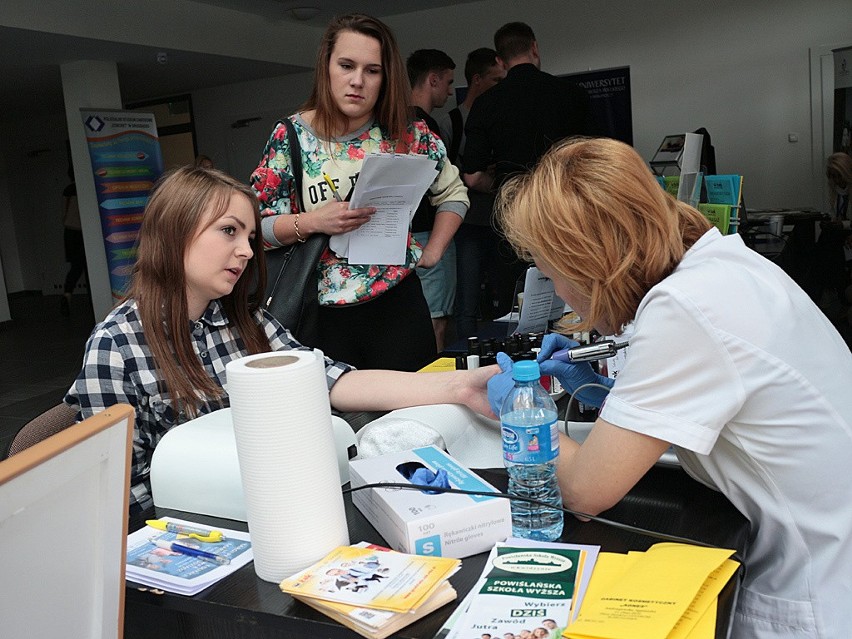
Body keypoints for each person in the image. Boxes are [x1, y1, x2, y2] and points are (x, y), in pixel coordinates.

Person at [489, 137, 852, 638]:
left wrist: (520, 410)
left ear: (592, 263)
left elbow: (584, 492)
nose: (560, 295)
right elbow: (719, 398)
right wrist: (601, 392)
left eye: (553, 277)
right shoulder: (722, 264)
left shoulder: (685, 308)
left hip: (815, 589)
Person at [64, 166, 494, 515]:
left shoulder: (244, 320)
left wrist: (456, 387)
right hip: (199, 528)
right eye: (228, 231)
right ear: (175, 232)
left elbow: (330, 380)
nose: (249, 251)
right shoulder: (116, 347)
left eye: (250, 238)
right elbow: (116, 496)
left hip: (270, 507)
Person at [250, 14, 468, 371]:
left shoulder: (407, 133)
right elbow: (256, 229)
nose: (357, 81)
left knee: (416, 417)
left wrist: (433, 252)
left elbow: (453, 193)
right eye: (346, 65)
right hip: (320, 312)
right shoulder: (291, 136)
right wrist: (313, 221)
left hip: (398, 303)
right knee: (338, 422)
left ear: (386, 78)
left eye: (372, 70)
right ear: (327, 67)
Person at [463, 22, 597, 318]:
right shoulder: (572, 95)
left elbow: (471, 175)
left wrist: (500, 184)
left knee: (516, 306)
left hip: (513, 218)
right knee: (576, 298)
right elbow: (597, 159)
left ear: (500, 61)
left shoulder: (486, 104)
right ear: (534, 48)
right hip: (568, 213)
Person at [434, 47, 506, 337]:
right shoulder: (450, 122)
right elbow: (443, 177)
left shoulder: (501, 116)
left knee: (505, 293)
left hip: (501, 219)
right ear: (477, 80)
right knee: (466, 297)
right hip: (466, 224)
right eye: (495, 81)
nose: (501, 88)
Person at [407, 48, 462, 351]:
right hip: (429, 235)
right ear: (432, 80)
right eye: (448, 82)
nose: (451, 91)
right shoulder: (425, 128)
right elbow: (449, 191)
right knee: (437, 322)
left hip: (402, 237)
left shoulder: (392, 125)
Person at [807, 152, 852, 316]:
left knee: (827, 241)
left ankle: (824, 289)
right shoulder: (838, 193)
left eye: (838, 176)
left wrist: (842, 224)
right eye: (833, 177)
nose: (837, 181)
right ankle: (826, 287)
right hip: (841, 232)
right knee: (827, 237)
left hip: (846, 232)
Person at [60, 178, 87, 316]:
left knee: (76, 267)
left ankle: (67, 294)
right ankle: (92, 299)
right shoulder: (86, 188)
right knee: (88, 266)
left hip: (70, 231)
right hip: (84, 232)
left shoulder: (68, 190)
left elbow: (64, 213)